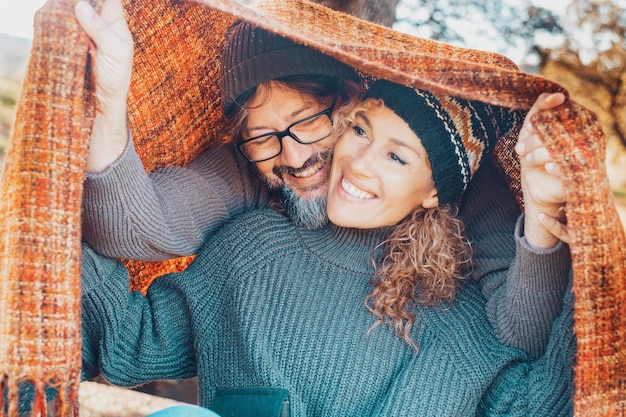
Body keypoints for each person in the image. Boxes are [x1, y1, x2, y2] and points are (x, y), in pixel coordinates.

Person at [75, 0, 570, 358]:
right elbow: (135, 227)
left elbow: (524, 331)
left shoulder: (453, 177)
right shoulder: (255, 170)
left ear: (353, 97)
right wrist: (110, 99)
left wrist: (544, 220)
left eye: (309, 120)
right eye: (263, 135)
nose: (293, 155)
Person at [80, 79, 574, 417]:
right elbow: (130, 341)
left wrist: (570, 244)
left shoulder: (463, 317)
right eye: (359, 130)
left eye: (397, 156)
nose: (358, 163)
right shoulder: (252, 252)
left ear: (433, 192)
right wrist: (52, 217)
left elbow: (540, 401)